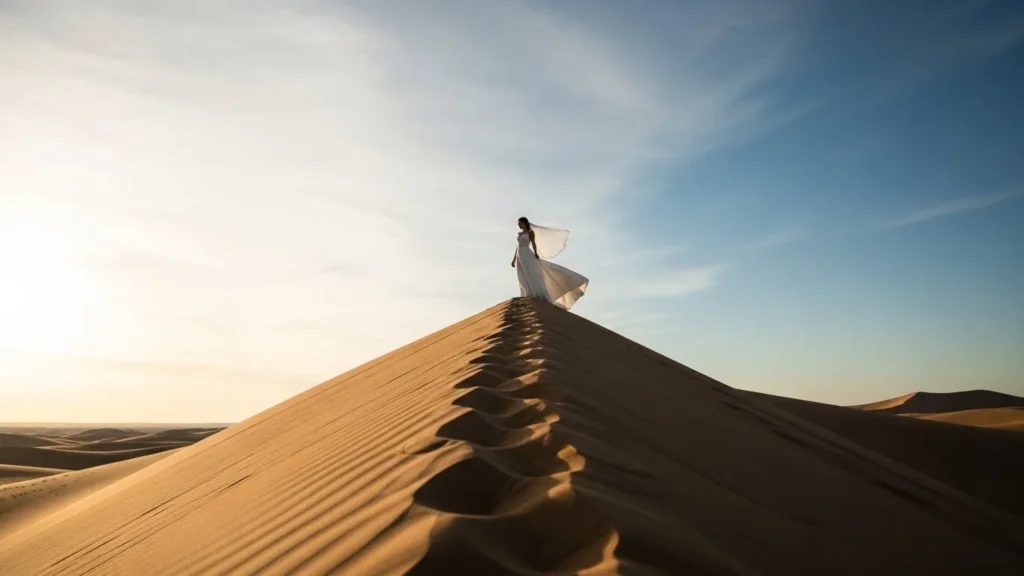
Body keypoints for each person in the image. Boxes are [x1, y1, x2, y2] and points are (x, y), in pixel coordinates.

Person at [511, 217, 589, 310]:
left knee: (531, 272)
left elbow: (533, 243)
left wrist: (535, 253)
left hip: (527, 254)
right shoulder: (520, 234)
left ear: (524, 223)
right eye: (518, 224)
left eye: (520, 223)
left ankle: (535, 294)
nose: (519, 225)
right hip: (520, 255)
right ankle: (526, 293)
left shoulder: (530, 232)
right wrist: (514, 259)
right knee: (522, 274)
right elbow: (518, 246)